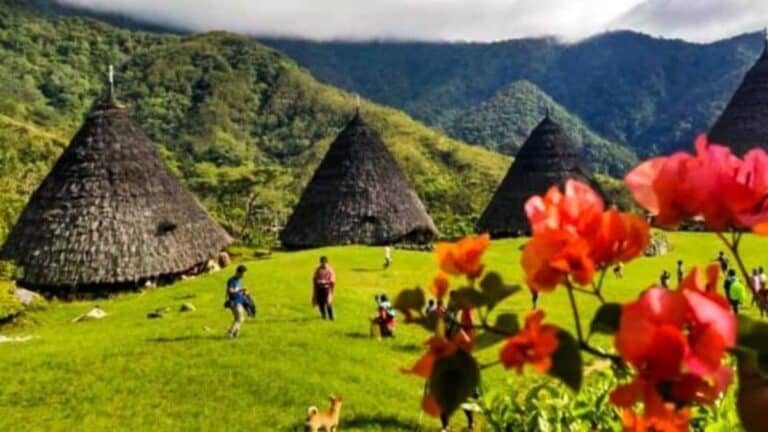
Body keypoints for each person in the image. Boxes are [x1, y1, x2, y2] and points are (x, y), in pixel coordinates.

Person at [225, 265, 248, 338]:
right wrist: (240, 290)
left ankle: (235, 333)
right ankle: (230, 333)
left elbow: (237, 290)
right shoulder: (232, 280)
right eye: (243, 273)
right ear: (238, 272)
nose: (244, 275)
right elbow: (230, 290)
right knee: (239, 319)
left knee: (239, 318)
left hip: (238, 301)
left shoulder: (238, 280)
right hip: (234, 302)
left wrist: (244, 292)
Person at [312, 256, 336, 320]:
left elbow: (332, 280)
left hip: (326, 288)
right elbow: (315, 278)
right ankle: (323, 315)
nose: (323, 264)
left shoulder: (330, 270)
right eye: (322, 262)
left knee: (328, 302)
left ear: (327, 262)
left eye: (324, 263)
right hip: (319, 288)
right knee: (320, 303)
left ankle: (331, 317)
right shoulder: (318, 269)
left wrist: (331, 290)